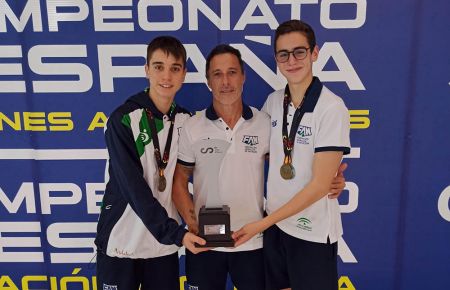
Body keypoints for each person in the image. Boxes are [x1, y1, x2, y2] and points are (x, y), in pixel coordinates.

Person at [172, 44, 348, 290]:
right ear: (208, 81)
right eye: (217, 74)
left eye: (232, 72)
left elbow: (286, 166)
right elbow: (179, 181)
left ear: (243, 76)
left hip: (253, 242)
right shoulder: (193, 126)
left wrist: (328, 180)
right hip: (205, 246)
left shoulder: (264, 122)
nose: (226, 82)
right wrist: (195, 226)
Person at [233, 20, 351, 290]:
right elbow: (260, 155)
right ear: (276, 59)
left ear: (315, 53)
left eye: (299, 52)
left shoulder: (331, 107)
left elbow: (321, 185)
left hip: (312, 231)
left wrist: (263, 223)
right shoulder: (274, 102)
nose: (292, 61)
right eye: (283, 54)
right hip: (277, 228)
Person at [95, 36, 206, 290]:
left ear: (183, 75)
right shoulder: (123, 120)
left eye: (174, 68)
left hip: (162, 248)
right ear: (146, 70)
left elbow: (193, 179)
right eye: (158, 67)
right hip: (121, 243)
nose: (166, 76)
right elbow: (134, 189)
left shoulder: (187, 121)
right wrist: (177, 234)